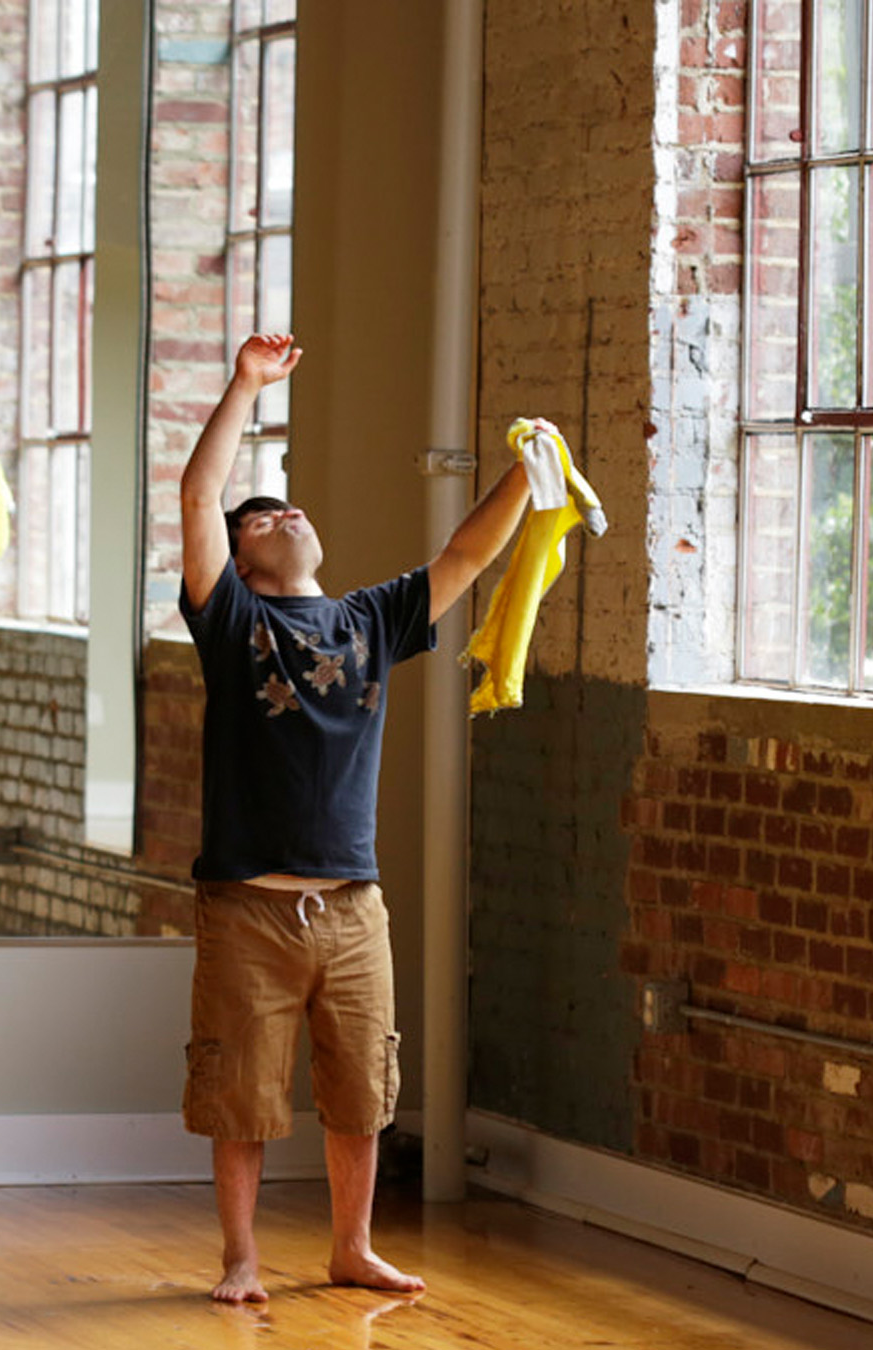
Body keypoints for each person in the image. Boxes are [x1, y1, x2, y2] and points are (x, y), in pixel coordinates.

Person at [178, 332, 531, 1303]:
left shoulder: (370, 619)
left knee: (361, 1086)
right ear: (239, 563)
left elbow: (464, 553)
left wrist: (524, 474)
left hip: (352, 908)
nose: (280, 513)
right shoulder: (232, 625)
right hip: (248, 907)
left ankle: (351, 1246)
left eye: (288, 507)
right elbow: (199, 497)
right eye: (259, 520)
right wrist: (246, 385)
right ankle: (242, 1258)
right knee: (241, 1093)